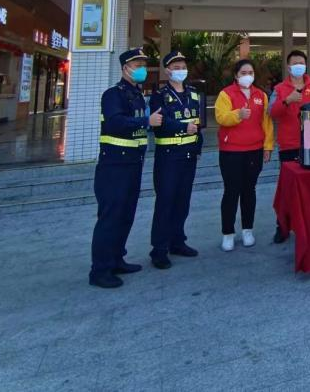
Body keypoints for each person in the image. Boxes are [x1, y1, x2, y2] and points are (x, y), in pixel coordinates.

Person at [89, 47, 163, 289]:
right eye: (137, 65)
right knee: (110, 217)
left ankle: (116, 258)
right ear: (125, 68)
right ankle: (100, 270)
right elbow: (115, 122)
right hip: (114, 165)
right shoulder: (113, 94)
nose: (142, 69)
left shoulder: (137, 95)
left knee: (125, 215)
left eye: (143, 64)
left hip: (133, 163)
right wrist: (146, 121)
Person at [147, 50, 204, 270]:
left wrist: (197, 145)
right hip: (168, 157)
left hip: (189, 155)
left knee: (183, 201)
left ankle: (177, 241)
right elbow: (159, 123)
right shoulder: (159, 96)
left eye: (183, 67)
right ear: (168, 71)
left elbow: (199, 121)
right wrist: (182, 127)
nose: (181, 71)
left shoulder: (193, 93)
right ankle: (159, 249)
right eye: (176, 67)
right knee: (165, 202)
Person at [214, 59, 273, 252]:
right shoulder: (226, 94)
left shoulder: (261, 95)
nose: (247, 76)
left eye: (251, 73)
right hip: (231, 151)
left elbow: (266, 123)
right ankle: (228, 233)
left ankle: (248, 230)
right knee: (231, 192)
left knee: (249, 191)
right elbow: (220, 117)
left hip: (254, 150)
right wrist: (237, 115)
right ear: (236, 75)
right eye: (243, 73)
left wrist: (267, 146)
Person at [269, 50, 310, 243]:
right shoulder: (279, 88)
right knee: (287, 189)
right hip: (289, 145)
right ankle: (282, 227)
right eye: (295, 63)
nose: (298, 66)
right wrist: (287, 101)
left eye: (301, 62)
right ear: (288, 66)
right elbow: (271, 112)